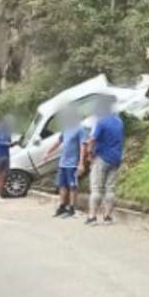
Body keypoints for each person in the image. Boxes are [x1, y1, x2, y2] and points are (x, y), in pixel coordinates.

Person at [85, 96, 124, 225]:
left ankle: (92, 217)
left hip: (102, 157)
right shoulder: (119, 121)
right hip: (116, 158)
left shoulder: (101, 122)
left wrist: (90, 153)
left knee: (96, 188)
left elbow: (92, 139)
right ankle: (108, 217)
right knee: (110, 188)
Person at [44, 107, 87, 218]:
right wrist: (48, 152)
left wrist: (81, 163)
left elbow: (83, 147)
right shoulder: (66, 129)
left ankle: (72, 207)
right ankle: (62, 206)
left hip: (73, 163)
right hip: (63, 162)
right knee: (62, 185)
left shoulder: (80, 129)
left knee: (72, 186)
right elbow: (58, 141)